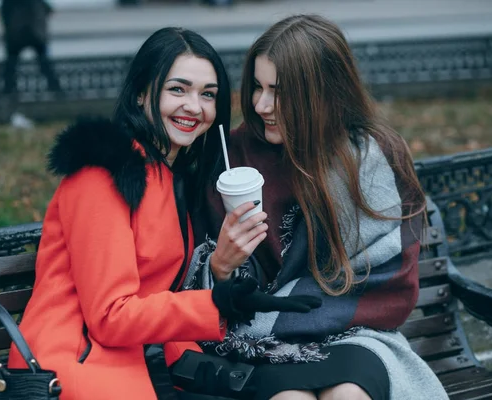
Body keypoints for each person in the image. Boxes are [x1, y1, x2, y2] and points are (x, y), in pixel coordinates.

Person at [7, 27, 321, 400]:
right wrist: (217, 302)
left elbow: (158, 292)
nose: (194, 106)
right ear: (141, 93)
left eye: (208, 95)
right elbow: (109, 317)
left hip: (147, 359)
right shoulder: (104, 173)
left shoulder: (172, 176)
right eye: (178, 89)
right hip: (77, 365)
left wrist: (225, 279)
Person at [185, 15, 450, 400]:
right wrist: (221, 267)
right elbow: (205, 282)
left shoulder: (370, 156)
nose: (260, 105)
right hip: (261, 340)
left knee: (349, 395)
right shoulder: (233, 158)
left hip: (356, 331)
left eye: (279, 91)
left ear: (324, 92)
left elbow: (389, 271)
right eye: (257, 87)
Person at [0, 0, 61, 96]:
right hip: (33, 33)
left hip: (17, 35)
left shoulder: (10, 3)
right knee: (44, 64)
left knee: (11, 66)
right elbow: (48, 10)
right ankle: (55, 88)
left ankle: (8, 90)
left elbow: (4, 14)